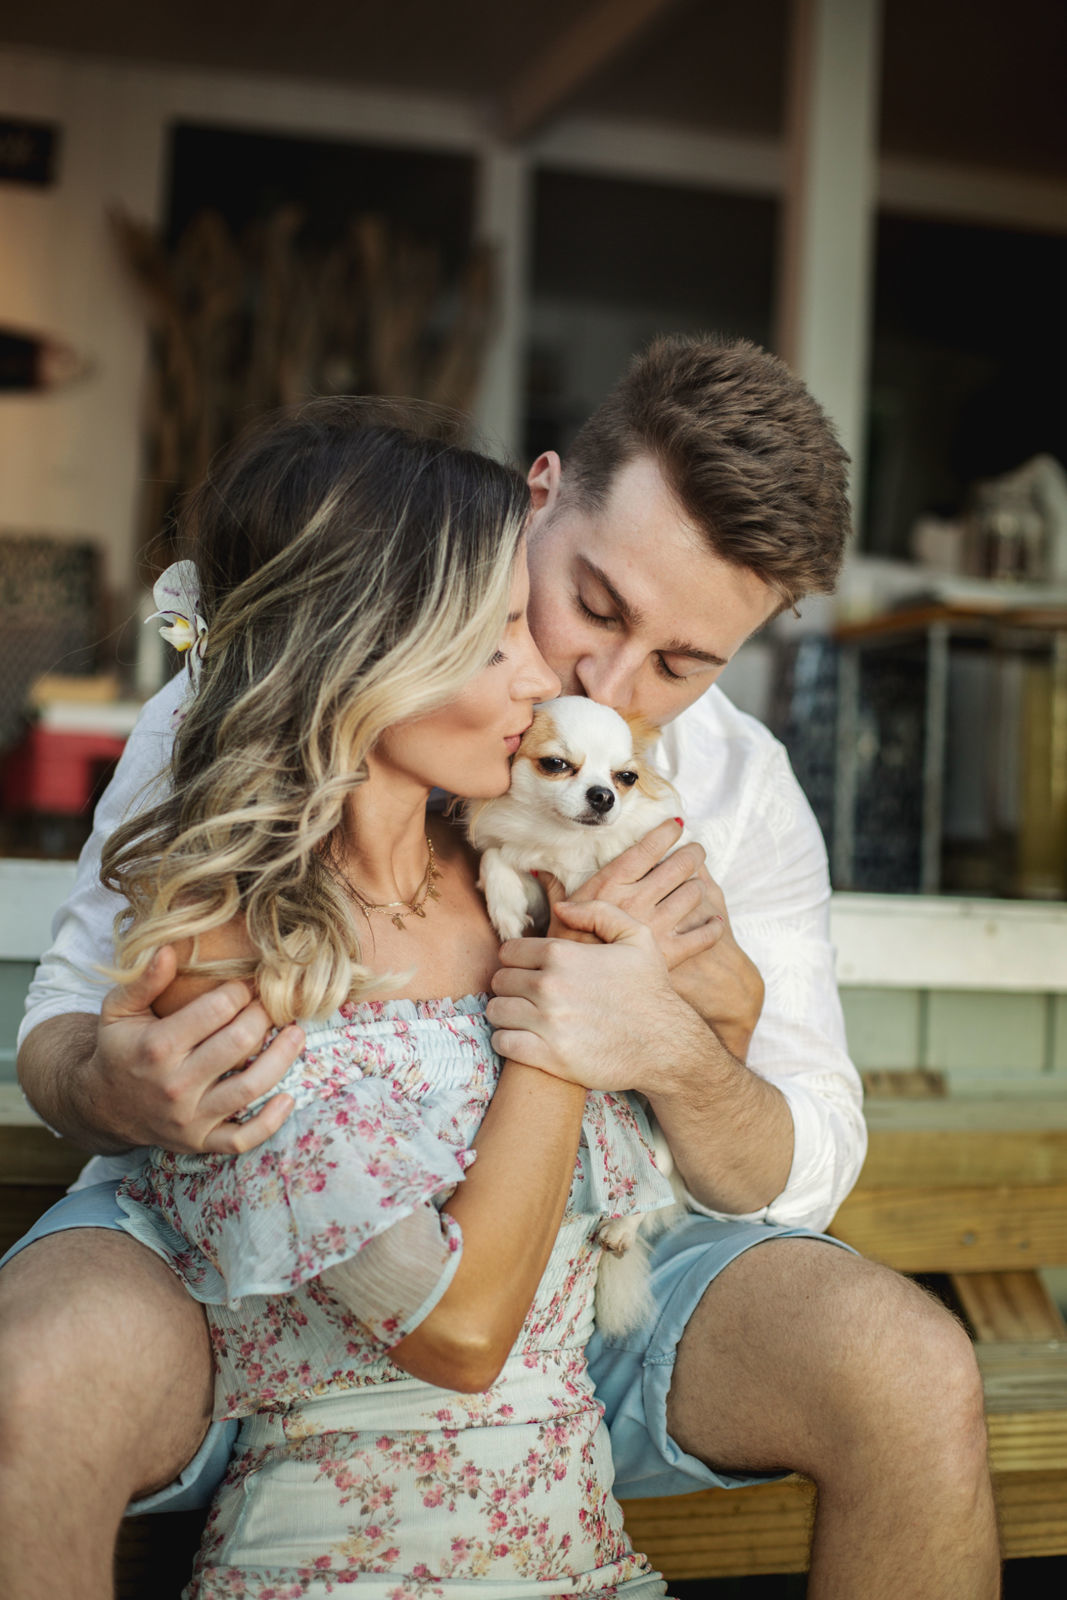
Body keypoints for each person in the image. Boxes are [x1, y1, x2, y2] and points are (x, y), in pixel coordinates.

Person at [0, 339, 999, 1600]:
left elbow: (801, 1161)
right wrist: (113, 1083)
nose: (602, 685)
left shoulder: (734, 792)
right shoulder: (272, 685)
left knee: (908, 1364)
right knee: (33, 1374)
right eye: (593, 602)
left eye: (681, 664)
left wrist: (676, 1045)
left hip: (585, 1283)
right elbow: (67, 1018)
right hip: (228, 1248)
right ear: (536, 495)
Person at [91, 401, 706, 1595]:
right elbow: (459, 1331)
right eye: (495, 642)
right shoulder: (232, 945)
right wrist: (564, 1022)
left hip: (589, 1558)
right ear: (361, 659)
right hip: (344, 1565)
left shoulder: (499, 879)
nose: (547, 677)